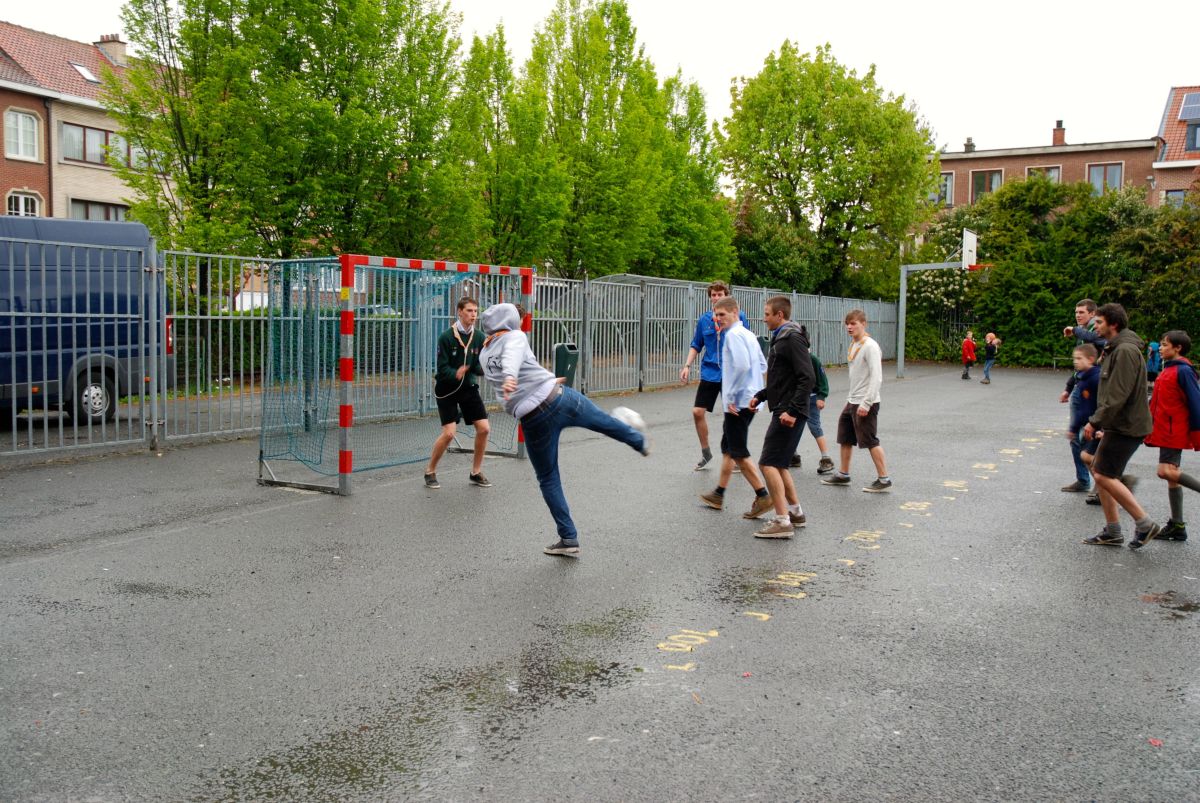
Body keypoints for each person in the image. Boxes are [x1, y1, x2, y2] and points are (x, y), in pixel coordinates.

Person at [478, 303, 648, 557]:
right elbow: (512, 359)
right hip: (559, 398)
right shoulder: (515, 336)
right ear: (510, 320)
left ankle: (569, 538)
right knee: (603, 421)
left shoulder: (484, 353)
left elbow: (519, 370)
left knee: (548, 478)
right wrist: (513, 377)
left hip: (533, 418)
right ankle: (639, 441)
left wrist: (537, 377)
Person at [1080, 303, 1159, 548]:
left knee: (1103, 474)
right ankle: (1113, 531)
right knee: (1101, 473)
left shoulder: (1124, 351)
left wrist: (1095, 421)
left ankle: (1144, 523)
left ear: (1113, 324)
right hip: (1119, 423)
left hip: (1126, 425)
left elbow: (1118, 394)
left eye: (1099, 322)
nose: (1095, 326)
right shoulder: (1117, 347)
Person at [698, 297, 773, 520]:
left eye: (722, 314)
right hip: (749, 399)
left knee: (738, 451)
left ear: (735, 312)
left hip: (738, 403)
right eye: (715, 315)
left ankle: (763, 495)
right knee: (729, 448)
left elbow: (741, 365)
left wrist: (731, 396)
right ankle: (718, 493)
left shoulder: (732, 335)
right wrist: (756, 389)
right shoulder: (749, 334)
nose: (717, 319)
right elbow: (762, 364)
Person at [748, 296, 816, 538]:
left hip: (788, 411)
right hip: (785, 407)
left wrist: (792, 411)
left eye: (767, 314)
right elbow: (783, 379)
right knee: (779, 464)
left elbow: (807, 377)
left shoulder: (791, 338)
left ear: (780, 315)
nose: (764, 318)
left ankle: (782, 521)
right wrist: (762, 395)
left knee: (767, 464)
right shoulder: (782, 337)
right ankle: (795, 513)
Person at [821, 309, 892, 493]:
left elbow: (876, 377)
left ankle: (884, 479)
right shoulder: (854, 344)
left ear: (864, 324)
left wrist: (867, 403)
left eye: (853, 323)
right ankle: (843, 474)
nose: (849, 327)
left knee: (870, 440)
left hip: (866, 401)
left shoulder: (870, 346)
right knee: (845, 436)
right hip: (852, 400)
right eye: (847, 324)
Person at [681, 281, 749, 471]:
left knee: (732, 415)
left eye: (720, 294)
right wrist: (687, 365)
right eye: (714, 295)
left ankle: (735, 455)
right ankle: (706, 452)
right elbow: (696, 344)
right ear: (710, 298)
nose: (717, 297)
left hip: (731, 373)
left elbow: (746, 342)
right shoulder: (704, 320)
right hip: (710, 372)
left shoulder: (738, 317)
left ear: (726, 296)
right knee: (697, 412)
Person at [425, 297, 491, 489]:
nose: (473, 315)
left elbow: (478, 365)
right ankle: (430, 471)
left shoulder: (479, 337)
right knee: (449, 433)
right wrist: (456, 373)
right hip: (447, 390)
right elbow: (441, 368)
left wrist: (486, 369)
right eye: (469, 311)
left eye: (475, 311)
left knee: (484, 428)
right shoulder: (446, 337)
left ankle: (475, 472)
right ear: (460, 312)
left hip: (468, 388)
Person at [1144, 330, 1200, 544]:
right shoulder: (1169, 368)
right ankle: (1177, 526)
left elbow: (1195, 402)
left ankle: (1177, 525)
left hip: (1173, 431)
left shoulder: (1184, 371)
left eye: (1165, 344)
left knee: (1165, 471)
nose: (1160, 348)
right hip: (1165, 429)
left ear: (1178, 348)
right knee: (1170, 476)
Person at [1060, 298, 1107, 493]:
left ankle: (1105, 483)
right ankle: (1084, 480)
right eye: (1076, 312)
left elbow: (1098, 341)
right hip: (1081, 387)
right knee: (1076, 438)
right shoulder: (1083, 332)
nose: (1078, 315)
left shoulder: (1094, 330)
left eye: (1081, 312)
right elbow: (1079, 366)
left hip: (1094, 390)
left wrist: (1076, 331)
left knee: (1089, 437)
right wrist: (1069, 387)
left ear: (1092, 313)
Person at [788, 338, 835, 475]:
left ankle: (826, 459)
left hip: (812, 397)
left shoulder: (812, 359)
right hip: (797, 398)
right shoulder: (793, 358)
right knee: (792, 425)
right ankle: (793, 456)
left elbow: (823, 380)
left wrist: (821, 396)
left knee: (814, 426)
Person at [1065, 343, 1101, 492]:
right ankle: (1091, 482)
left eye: (1079, 358)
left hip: (1096, 424)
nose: (1076, 362)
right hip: (1087, 424)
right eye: (1074, 358)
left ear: (1091, 359)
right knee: (1081, 450)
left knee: (1089, 456)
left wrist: (1100, 427)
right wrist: (1073, 428)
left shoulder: (1096, 378)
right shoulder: (1082, 377)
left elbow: (1102, 405)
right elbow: (1082, 409)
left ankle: (1111, 483)